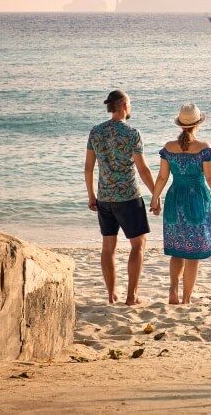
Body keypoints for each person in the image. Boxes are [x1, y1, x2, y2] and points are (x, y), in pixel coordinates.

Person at [150, 103, 211, 305]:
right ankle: (186, 299)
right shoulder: (204, 148)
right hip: (196, 198)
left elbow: (161, 177)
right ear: (198, 124)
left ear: (180, 125)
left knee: (177, 249)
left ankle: (172, 290)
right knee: (193, 253)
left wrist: (154, 198)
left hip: (174, 198)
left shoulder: (168, 148)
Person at [84, 90, 156, 305]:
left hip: (104, 197)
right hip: (128, 197)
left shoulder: (96, 132)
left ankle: (111, 295)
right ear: (124, 105)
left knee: (108, 247)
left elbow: (88, 168)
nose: (130, 107)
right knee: (138, 244)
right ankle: (131, 297)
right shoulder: (132, 133)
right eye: (130, 104)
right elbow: (143, 170)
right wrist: (156, 194)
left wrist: (91, 196)